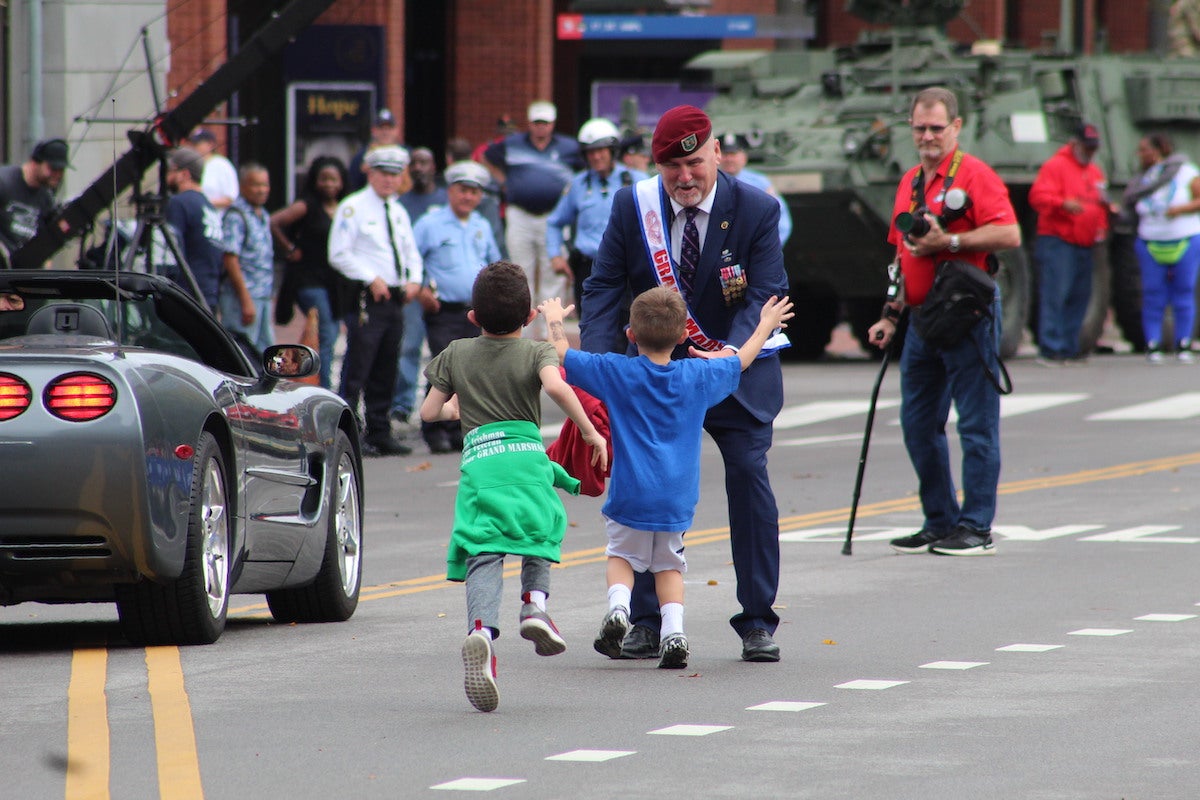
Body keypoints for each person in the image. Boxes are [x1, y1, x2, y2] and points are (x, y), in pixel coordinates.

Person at [580, 104, 790, 663]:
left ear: (717, 153)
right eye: (672, 168)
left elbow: (765, 293)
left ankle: (756, 619)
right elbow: (603, 286)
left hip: (732, 373)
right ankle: (647, 621)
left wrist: (726, 354)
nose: (685, 177)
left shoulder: (757, 210)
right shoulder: (633, 206)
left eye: (695, 163)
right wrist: (604, 371)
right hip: (656, 376)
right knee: (647, 490)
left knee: (748, 477)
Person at [543, 287, 792, 669]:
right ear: (682, 337)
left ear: (630, 334)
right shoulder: (697, 376)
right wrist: (764, 326)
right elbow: (741, 360)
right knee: (669, 565)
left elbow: (562, 355)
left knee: (622, 556)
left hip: (630, 494)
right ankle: (674, 632)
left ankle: (619, 608)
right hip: (677, 498)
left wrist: (555, 321)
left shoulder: (616, 372)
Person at [419, 261, 607, 713]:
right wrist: (587, 430)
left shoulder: (455, 353)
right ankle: (534, 605)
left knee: (483, 549)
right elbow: (558, 389)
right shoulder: (536, 352)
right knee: (539, 533)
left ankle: (481, 631)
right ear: (527, 319)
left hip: (481, 462)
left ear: (472, 317)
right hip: (527, 458)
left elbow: (428, 414)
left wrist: (458, 411)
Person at [867, 86, 1021, 556]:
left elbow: (1010, 232)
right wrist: (890, 314)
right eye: (920, 128)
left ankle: (976, 527)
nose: (928, 135)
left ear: (956, 126)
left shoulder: (975, 174)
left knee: (976, 425)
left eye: (937, 127)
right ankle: (939, 520)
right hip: (920, 318)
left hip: (967, 314)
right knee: (917, 424)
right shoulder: (911, 180)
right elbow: (901, 251)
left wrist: (949, 244)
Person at [328, 146, 423, 457]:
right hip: (367, 297)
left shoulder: (397, 210)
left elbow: (410, 251)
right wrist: (370, 277)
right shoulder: (353, 207)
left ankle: (380, 430)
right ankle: (348, 429)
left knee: (387, 365)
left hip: (395, 298)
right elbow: (339, 253)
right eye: (384, 173)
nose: (389, 180)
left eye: (395, 174)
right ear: (370, 173)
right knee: (359, 365)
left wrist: (414, 279)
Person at [412, 160, 501, 454]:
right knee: (444, 367)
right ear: (450, 190)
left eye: (474, 193)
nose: (468, 197)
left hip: (475, 311)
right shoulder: (430, 223)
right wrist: (422, 286)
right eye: (463, 190)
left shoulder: (481, 225)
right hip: (443, 310)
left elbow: (493, 263)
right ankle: (434, 428)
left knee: (470, 371)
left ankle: (458, 428)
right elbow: (412, 258)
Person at [483, 101, 584, 321]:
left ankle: (550, 333)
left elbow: (583, 170)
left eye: (545, 123)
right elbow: (487, 156)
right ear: (530, 124)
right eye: (537, 123)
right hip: (520, 214)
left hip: (554, 216)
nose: (541, 127)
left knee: (552, 274)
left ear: (552, 124)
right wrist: (504, 182)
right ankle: (524, 333)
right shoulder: (512, 143)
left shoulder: (568, 147)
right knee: (520, 272)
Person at [545, 117, 645, 316]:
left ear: (613, 151)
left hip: (626, 268)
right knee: (590, 327)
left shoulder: (637, 181)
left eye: (601, 150)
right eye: (590, 152)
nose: (596, 157)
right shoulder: (578, 184)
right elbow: (554, 223)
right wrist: (555, 255)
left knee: (628, 330)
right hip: (588, 269)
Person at [1029, 123, 1109, 365]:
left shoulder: (1094, 171)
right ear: (1075, 144)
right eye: (1087, 147)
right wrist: (1062, 203)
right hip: (1059, 239)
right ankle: (1050, 348)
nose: (1090, 152)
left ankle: (1070, 346)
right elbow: (1038, 196)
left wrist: (1103, 224)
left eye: (1094, 148)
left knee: (1079, 295)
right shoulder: (1055, 166)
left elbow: (1100, 202)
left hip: (1086, 242)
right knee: (1056, 293)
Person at [269, 155, 349, 388]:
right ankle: (323, 388)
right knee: (326, 332)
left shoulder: (345, 207)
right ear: (315, 181)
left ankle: (302, 377)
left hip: (333, 282)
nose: (329, 184)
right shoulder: (306, 205)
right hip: (308, 280)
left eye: (334, 179)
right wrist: (289, 248)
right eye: (324, 179)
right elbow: (274, 221)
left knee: (329, 333)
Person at [390, 147, 450, 428]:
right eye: (414, 163)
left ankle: (445, 405)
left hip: (445, 292)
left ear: (434, 166)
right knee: (409, 346)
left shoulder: (444, 199)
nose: (419, 167)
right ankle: (402, 404)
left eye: (424, 162)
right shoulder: (401, 203)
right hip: (414, 289)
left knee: (446, 352)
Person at [1127, 132, 1200, 363]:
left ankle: (1183, 343)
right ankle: (1153, 343)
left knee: (1183, 291)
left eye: (1144, 149)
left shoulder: (1185, 171)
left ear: (1158, 150)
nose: (1140, 154)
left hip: (1184, 238)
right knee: (1153, 293)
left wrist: (1179, 210)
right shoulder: (1143, 177)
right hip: (1150, 240)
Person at [218, 163, 275, 353]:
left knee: (265, 355)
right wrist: (246, 300)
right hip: (242, 298)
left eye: (265, 185)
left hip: (263, 295)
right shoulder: (236, 215)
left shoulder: (263, 214)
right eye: (256, 185)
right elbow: (230, 259)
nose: (262, 190)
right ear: (242, 187)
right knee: (241, 354)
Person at [163, 147, 226, 312]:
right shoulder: (208, 206)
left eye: (171, 171)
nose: (166, 176)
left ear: (184, 174)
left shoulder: (179, 203)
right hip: (208, 295)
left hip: (186, 298)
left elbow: (173, 252)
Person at [0, 138, 69, 267]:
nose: (58, 174)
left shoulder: (46, 198)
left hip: (23, 271)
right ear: (35, 162)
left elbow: (44, 237)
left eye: (61, 170)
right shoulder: (4, 182)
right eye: (53, 168)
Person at [718, 133, 793, 246]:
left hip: (754, 250)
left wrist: (768, 249)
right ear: (717, 156)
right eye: (725, 154)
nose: (729, 159)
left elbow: (781, 219)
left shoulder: (760, 183)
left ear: (744, 157)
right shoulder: (708, 182)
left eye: (733, 154)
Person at [348, 108, 402, 193]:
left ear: (397, 130)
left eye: (389, 128)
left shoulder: (406, 154)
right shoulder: (361, 157)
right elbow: (354, 185)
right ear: (373, 130)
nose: (385, 132)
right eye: (381, 128)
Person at [187, 129, 239, 210]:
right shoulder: (191, 164)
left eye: (198, 144)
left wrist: (203, 202)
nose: (194, 147)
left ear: (210, 144)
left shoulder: (222, 164)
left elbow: (230, 198)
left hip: (218, 217)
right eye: (193, 144)